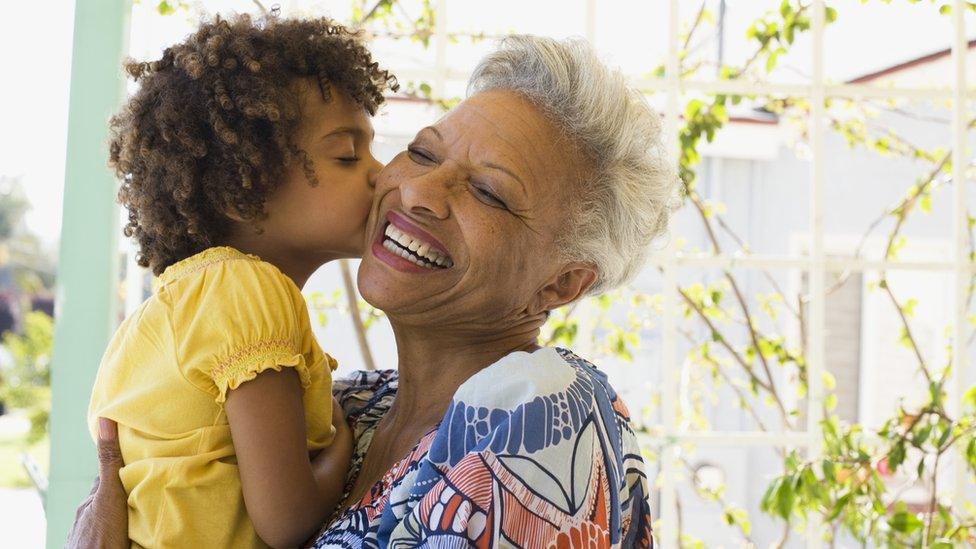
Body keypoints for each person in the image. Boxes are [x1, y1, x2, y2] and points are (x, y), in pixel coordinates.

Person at [71, 34, 675, 548]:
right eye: (421, 152)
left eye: (488, 191)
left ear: (561, 283)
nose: (416, 191)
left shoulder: (540, 421)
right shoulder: (351, 404)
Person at [86, 14, 396, 548]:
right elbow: (287, 520)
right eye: (347, 154)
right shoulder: (249, 291)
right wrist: (349, 447)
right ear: (242, 188)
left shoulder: (178, 307)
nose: (380, 172)